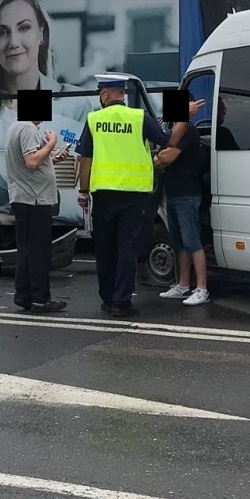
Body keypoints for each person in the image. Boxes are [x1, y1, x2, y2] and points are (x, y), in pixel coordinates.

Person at [0, 0, 93, 221]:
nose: (13, 42)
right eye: (2, 32)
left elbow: (87, 195)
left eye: (24, 27)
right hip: (6, 236)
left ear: (40, 33)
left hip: (50, 226)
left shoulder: (75, 103)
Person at [76, 74, 178, 318]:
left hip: (103, 194)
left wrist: (83, 190)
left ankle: (107, 298)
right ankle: (121, 302)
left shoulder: (94, 119)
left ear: (104, 95)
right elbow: (167, 139)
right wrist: (183, 114)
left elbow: (86, 159)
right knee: (127, 248)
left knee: (105, 248)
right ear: (122, 94)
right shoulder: (138, 117)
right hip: (133, 196)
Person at [4, 116, 68, 315]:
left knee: (27, 250)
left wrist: (53, 158)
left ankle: (24, 295)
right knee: (39, 251)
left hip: (24, 197)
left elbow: (33, 160)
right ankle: (41, 299)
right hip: (35, 198)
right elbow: (31, 161)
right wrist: (52, 142)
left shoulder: (16, 126)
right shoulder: (28, 128)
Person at [155, 116, 210, 306]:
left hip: (187, 193)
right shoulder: (173, 133)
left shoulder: (187, 129)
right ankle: (183, 285)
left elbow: (166, 158)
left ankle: (202, 289)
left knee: (192, 241)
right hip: (173, 193)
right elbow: (157, 160)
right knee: (179, 242)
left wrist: (164, 157)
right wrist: (162, 158)